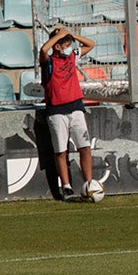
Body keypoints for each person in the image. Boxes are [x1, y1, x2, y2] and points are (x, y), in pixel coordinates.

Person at [39, 27, 96, 201]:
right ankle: (66, 186)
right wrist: (59, 36)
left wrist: (70, 34)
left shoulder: (72, 57)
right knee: (61, 151)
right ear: (57, 46)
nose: (69, 47)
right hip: (57, 111)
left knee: (84, 147)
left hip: (76, 108)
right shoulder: (48, 62)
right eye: (65, 44)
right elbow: (43, 50)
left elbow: (90, 44)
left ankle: (89, 184)